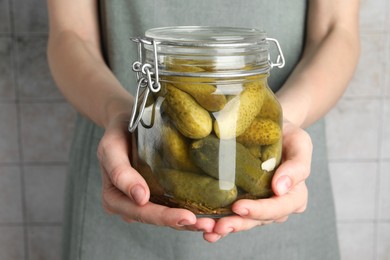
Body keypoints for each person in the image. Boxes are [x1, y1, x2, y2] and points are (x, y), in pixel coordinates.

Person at [46, 0, 360, 259]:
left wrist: (282, 123)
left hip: (287, 177)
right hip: (122, 164)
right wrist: (120, 112)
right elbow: (71, 33)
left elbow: (337, 29)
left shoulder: (265, 123)